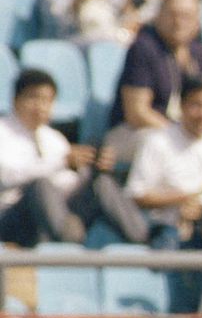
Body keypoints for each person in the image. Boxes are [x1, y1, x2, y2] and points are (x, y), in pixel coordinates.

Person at [126, 76, 202, 312]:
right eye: (196, 105)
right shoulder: (158, 141)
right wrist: (184, 199)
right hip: (170, 230)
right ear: (181, 106)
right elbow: (137, 194)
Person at [0, 69, 147, 249]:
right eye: (33, 98)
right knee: (40, 185)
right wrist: (62, 162)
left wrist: (91, 166)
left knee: (101, 182)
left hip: (56, 213)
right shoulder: (3, 132)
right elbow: (6, 177)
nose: (40, 106)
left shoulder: (53, 138)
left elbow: (66, 183)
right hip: (11, 215)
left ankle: (144, 239)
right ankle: (70, 246)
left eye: (47, 100)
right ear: (16, 99)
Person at [104, 0, 202, 163]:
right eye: (173, 14)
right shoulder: (144, 48)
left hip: (181, 131)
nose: (179, 22)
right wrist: (180, 135)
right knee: (159, 145)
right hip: (134, 132)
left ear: (197, 22)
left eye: (186, 16)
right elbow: (137, 113)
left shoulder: (199, 53)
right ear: (159, 15)